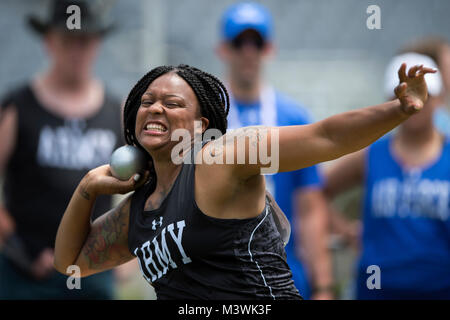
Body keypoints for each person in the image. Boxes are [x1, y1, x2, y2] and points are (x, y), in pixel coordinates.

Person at [53, 60, 435, 300]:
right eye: (147, 101)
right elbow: (69, 262)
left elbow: (325, 137)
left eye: (172, 103)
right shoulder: (139, 210)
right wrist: (87, 188)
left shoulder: (221, 158)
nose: (154, 108)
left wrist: (399, 110)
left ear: (202, 125)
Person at [0, 0, 122, 299]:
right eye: (68, 40)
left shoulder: (114, 111)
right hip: (27, 274)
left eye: (84, 41)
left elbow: (143, 183)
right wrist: (16, 246)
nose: (76, 51)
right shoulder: (19, 107)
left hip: (92, 271)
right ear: (49, 42)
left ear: (96, 44)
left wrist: (123, 248)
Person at [215, 2, 333, 299]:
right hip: (219, 277)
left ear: (270, 49)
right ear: (223, 49)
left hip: (283, 272)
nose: (248, 51)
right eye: (239, 42)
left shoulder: (293, 117)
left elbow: (310, 206)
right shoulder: (208, 117)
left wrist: (323, 286)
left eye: (257, 42)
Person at [323, 53, 450, 299]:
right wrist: (347, 231)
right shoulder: (373, 155)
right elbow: (316, 188)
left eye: (425, 93)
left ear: (440, 99)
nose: (415, 102)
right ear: (389, 101)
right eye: (402, 94)